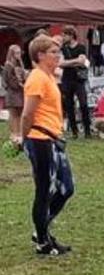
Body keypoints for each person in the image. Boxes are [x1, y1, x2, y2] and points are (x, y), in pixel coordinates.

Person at [21, 34, 74, 255]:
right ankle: (43, 240)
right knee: (45, 189)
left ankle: (41, 228)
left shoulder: (49, 76)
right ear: (40, 55)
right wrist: (23, 139)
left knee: (66, 187)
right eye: (53, 52)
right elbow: (27, 114)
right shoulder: (37, 78)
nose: (58, 56)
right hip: (40, 138)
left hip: (53, 138)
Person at [59, 26, 92, 139]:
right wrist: (75, 61)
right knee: (69, 106)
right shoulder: (63, 48)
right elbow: (61, 63)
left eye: (64, 35)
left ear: (71, 35)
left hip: (79, 80)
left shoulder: (81, 47)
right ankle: (74, 131)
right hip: (67, 79)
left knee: (83, 104)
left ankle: (87, 130)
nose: (63, 37)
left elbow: (82, 62)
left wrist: (69, 63)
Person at [2, 44, 27, 142]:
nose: (19, 55)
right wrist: (18, 84)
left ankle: (20, 133)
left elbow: (23, 76)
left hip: (21, 92)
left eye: (20, 52)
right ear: (11, 54)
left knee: (21, 113)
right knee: (13, 114)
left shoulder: (20, 64)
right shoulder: (8, 65)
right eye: (17, 53)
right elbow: (7, 80)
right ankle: (13, 133)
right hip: (12, 93)